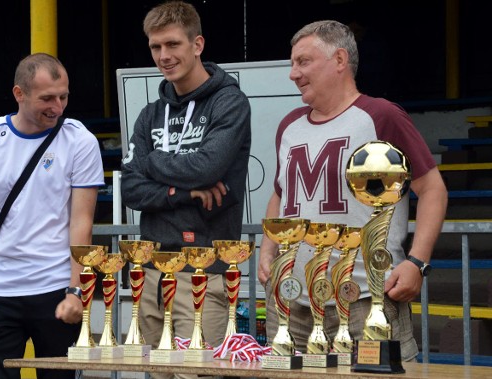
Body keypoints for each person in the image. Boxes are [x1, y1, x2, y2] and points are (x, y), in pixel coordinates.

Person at [257, 20, 448, 361]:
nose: (293, 73)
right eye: (292, 63)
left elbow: (432, 188)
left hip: (365, 298)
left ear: (340, 60)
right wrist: (267, 250)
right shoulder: (289, 125)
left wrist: (417, 263)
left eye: (303, 62)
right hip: (292, 298)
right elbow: (281, 193)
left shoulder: (380, 116)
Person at [0, 53, 105, 378]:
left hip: (55, 287)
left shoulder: (80, 140)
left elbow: (82, 223)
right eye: (47, 98)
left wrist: (76, 290)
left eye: (63, 96)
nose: (57, 106)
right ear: (19, 94)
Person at [120, 0, 251, 374]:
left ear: (197, 45)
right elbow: (130, 188)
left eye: (173, 44)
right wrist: (181, 192)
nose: (164, 55)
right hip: (148, 270)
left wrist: (151, 162)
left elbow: (207, 167)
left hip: (203, 268)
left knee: (196, 372)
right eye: (155, 47)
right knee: (153, 372)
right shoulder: (150, 114)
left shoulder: (230, 102)